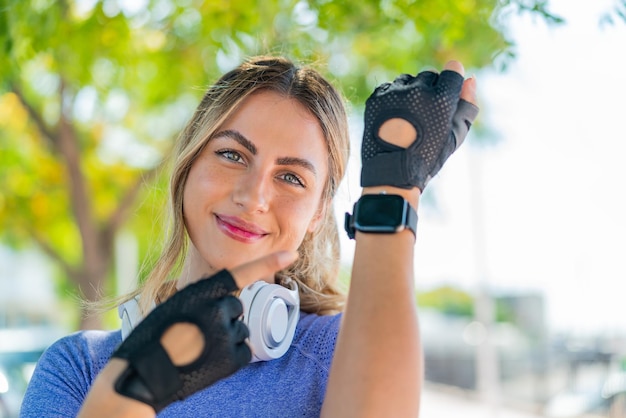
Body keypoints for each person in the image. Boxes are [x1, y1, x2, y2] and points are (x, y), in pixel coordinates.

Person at [20, 55, 478, 417]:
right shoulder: (78, 368)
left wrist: (393, 187)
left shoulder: (338, 353)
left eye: (292, 178)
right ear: (188, 167)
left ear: (319, 213)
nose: (253, 195)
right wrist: (133, 384)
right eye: (232, 155)